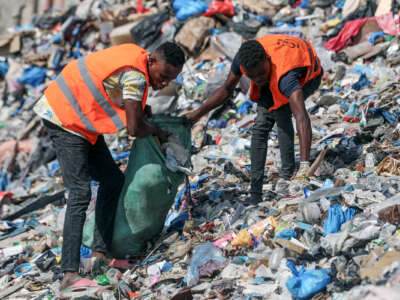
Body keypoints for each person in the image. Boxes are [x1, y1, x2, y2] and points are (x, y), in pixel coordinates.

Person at [33, 42, 185, 289]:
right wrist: (159, 132)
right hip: (63, 117)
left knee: (113, 180)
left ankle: (99, 255)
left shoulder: (138, 61)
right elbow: (135, 128)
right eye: (164, 76)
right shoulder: (136, 75)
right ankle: (69, 274)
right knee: (80, 193)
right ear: (153, 62)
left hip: (80, 120)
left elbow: (120, 100)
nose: (165, 83)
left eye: (172, 79)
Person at [185, 34, 323, 204]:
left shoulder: (285, 77)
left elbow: (301, 117)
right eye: (252, 77)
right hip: (276, 67)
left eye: (261, 73)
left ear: (267, 59)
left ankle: (288, 175)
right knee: (260, 127)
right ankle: (255, 192)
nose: (258, 79)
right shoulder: (243, 61)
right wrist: (197, 114)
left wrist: (305, 163)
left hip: (309, 71)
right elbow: (226, 90)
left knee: (281, 113)